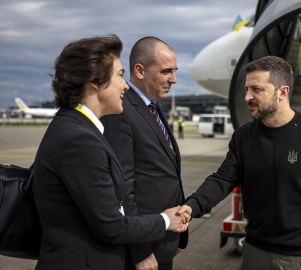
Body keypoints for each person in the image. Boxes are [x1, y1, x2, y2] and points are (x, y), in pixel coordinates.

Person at [178, 56, 301, 270]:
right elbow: (222, 179)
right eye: (247, 89)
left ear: (283, 92)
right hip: (254, 252)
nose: (248, 96)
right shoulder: (243, 137)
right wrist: (191, 206)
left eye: (257, 90)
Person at [33, 35, 189, 270]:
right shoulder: (79, 139)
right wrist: (166, 220)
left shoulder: (78, 129)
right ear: (95, 81)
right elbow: (112, 223)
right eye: (119, 75)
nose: (125, 84)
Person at [101, 37, 187, 270]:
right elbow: (122, 189)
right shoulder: (121, 110)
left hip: (164, 239)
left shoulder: (152, 107)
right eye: (166, 71)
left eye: (174, 71)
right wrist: (140, 251)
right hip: (143, 248)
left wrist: (177, 237)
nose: (174, 79)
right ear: (139, 70)